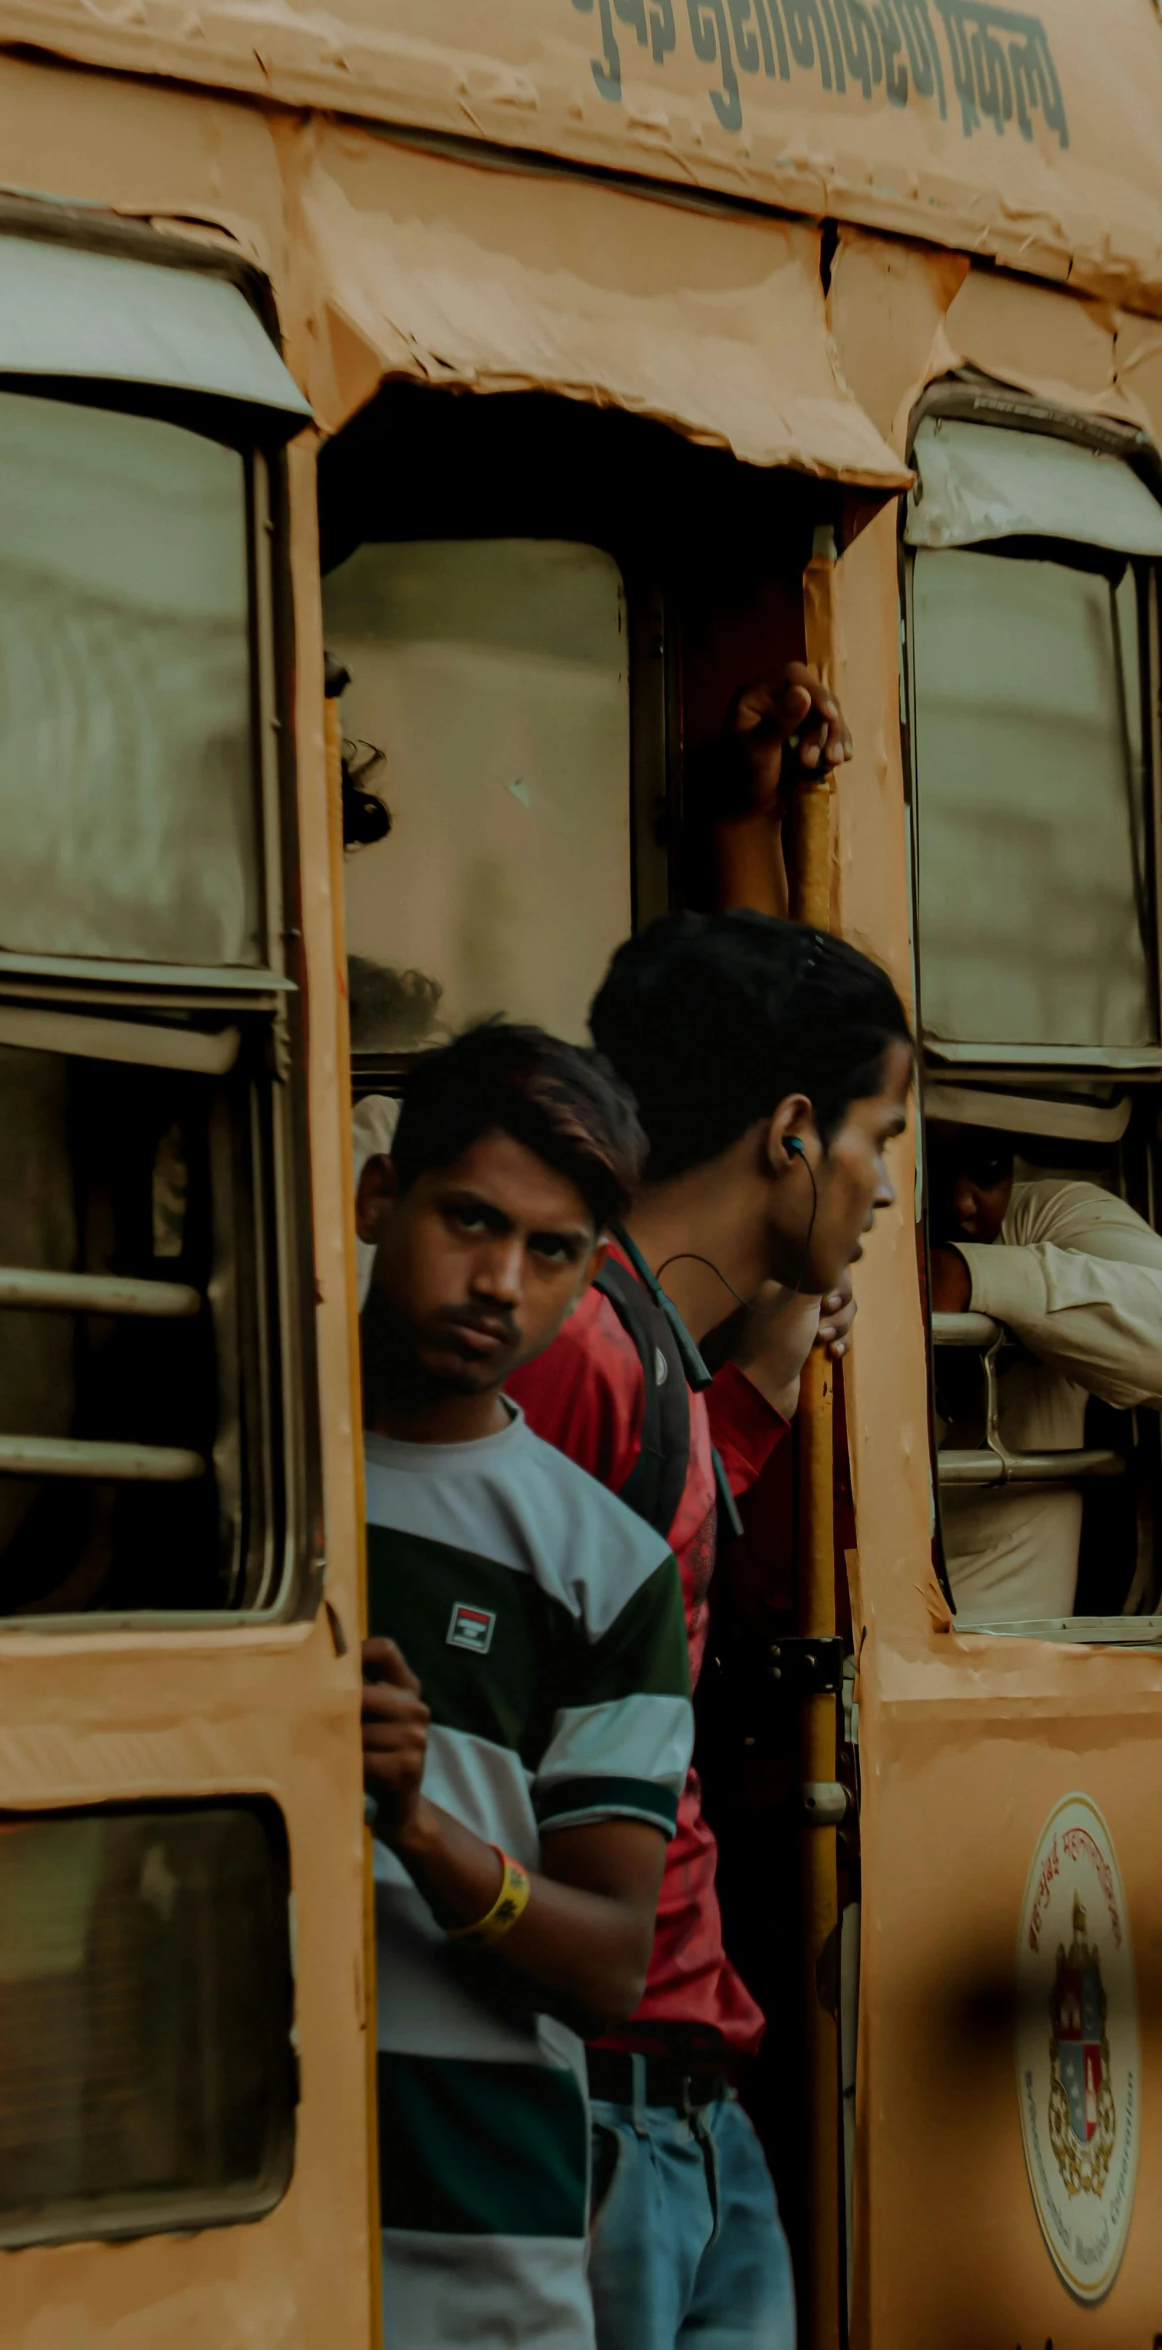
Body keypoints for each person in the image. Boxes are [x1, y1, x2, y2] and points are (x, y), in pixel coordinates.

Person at [507, 910, 914, 2350]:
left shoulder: (651, 1349)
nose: (880, 1190)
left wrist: (768, 1355)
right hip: (597, 2103)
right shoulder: (579, 1353)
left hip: (684, 2090)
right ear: (791, 1130)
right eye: (879, 1134)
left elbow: (642, 1567)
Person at [356, 1022, 693, 2350]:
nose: (497, 1280)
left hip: (479, 2266)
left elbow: (612, 1962)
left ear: (587, 1276)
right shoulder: (243, 1479)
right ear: (381, 1199)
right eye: (468, 1220)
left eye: (548, 1252)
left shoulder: (604, 1566)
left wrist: (419, 1825)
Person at [927, 1090, 1162, 1622]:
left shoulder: (1043, 1218)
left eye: (987, 1166)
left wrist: (976, 1277)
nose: (962, 1203)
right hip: (869, 1646)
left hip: (1028, 1669)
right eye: (933, 1168)